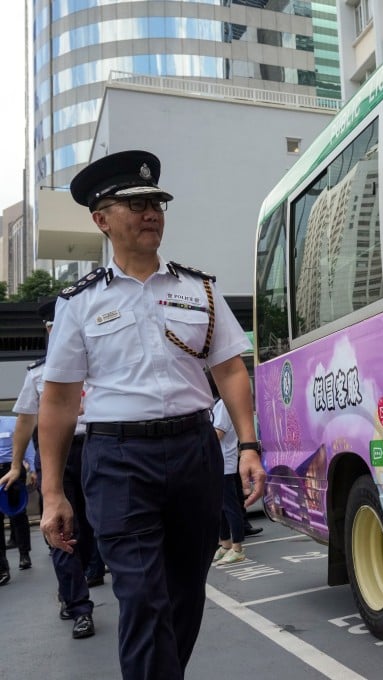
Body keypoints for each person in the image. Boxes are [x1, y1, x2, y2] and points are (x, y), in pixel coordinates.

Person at [38, 149, 266, 680]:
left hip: (195, 451)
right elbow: (59, 400)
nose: (150, 212)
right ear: (101, 219)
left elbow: (230, 370)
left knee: (185, 593)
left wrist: (249, 444)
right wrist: (52, 491)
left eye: (156, 202)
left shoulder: (199, 290)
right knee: (142, 595)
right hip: (117, 459)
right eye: (135, 203)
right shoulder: (80, 303)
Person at [8, 299, 97, 639]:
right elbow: (25, 422)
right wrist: (17, 465)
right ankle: (79, 607)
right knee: (60, 530)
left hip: (95, 448)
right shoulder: (38, 374)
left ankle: (85, 575)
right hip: (54, 454)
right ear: (48, 329)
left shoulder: (96, 363)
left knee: (91, 525)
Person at [209, 376, 247, 565]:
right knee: (220, 508)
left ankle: (237, 547)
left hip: (224, 462)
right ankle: (225, 544)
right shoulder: (216, 404)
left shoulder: (224, 403)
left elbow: (219, 432)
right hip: (216, 463)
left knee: (230, 507)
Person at [0, 414, 35, 585]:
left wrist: (33, 468)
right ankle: (2, 567)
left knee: (17, 514)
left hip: (11, 470)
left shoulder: (11, 423)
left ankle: (24, 554)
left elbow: (27, 446)